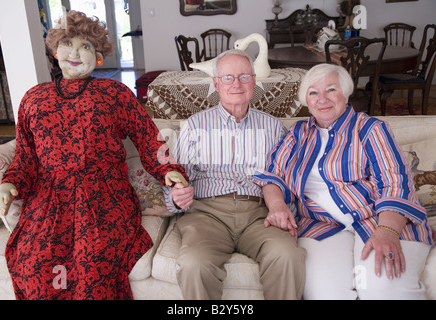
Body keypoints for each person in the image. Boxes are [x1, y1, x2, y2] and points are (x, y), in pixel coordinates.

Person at [0, 10, 187, 300]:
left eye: (85, 46)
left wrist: (168, 170)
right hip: (49, 199)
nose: (74, 53)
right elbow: (26, 155)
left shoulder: (115, 93)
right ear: (54, 49)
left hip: (103, 196)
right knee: (33, 262)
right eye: (67, 43)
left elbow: (149, 139)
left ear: (98, 56)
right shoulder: (33, 99)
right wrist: (11, 183)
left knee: (92, 267)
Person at [254, 63, 434, 300]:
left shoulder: (370, 129)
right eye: (313, 92)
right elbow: (273, 175)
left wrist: (388, 230)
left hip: (379, 220)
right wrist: (277, 205)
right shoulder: (298, 133)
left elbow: (395, 183)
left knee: (383, 287)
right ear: (306, 100)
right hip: (321, 225)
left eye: (331, 89)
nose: (322, 99)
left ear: (346, 93)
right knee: (324, 293)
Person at [164, 49, 306, 300]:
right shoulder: (196, 125)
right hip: (207, 214)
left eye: (244, 76)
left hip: (258, 214)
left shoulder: (272, 126)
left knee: (287, 254)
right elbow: (177, 177)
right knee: (194, 263)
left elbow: (286, 177)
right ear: (216, 84)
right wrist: (176, 196)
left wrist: (284, 208)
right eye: (228, 78)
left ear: (254, 82)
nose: (236, 84)